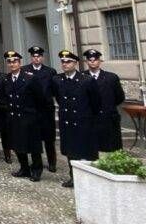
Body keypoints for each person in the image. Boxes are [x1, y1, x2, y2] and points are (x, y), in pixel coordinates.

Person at [53, 50, 101, 188]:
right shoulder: (57, 79)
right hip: (67, 120)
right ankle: (73, 177)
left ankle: (91, 178)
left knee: (86, 150)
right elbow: (58, 97)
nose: (65, 64)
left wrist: (88, 116)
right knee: (70, 151)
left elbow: (95, 102)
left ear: (75, 63)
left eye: (68, 61)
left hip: (83, 120)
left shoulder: (86, 80)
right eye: (63, 62)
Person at [4, 51, 46, 182]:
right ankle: (24, 168)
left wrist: (36, 116)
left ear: (19, 63)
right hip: (14, 117)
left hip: (29, 117)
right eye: (10, 62)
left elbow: (40, 99)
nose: (12, 64)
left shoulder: (30, 78)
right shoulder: (6, 79)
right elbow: (4, 98)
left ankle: (37, 170)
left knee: (33, 146)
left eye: (15, 61)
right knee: (18, 145)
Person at [83, 49, 126, 153]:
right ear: (86, 62)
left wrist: (107, 106)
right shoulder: (81, 77)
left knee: (111, 148)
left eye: (95, 59)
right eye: (90, 60)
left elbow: (119, 97)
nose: (92, 62)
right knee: (91, 149)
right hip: (91, 118)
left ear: (99, 61)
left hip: (108, 118)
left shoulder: (111, 77)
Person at [24, 46, 58, 173]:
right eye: (34, 56)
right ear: (31, 57)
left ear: (42, 58)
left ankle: (52, 162)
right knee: (34, 138)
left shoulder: (50, 71)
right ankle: (36, 162)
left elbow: (54, 89)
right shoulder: (25, 70)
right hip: (32, 109)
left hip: (46, 109)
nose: (36, 58)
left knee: (49, 138)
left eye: (38, 56)